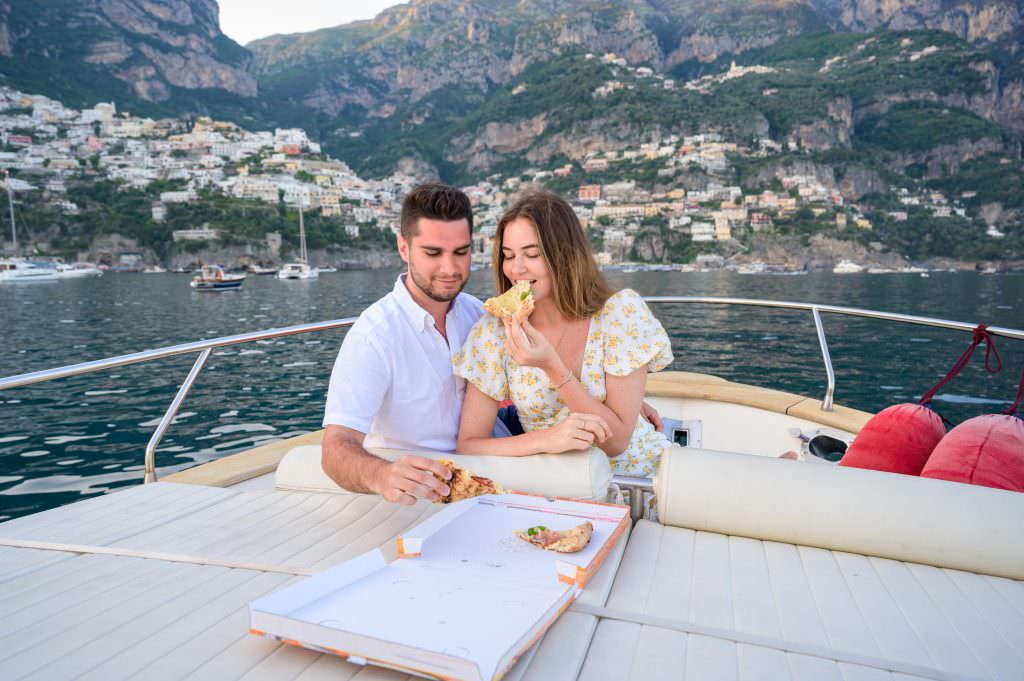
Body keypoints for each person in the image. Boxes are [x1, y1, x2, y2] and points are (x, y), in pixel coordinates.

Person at [321, 184, 663, 506]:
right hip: (440, 483)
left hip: (583, 474)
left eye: (461, 252)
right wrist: (383, 475)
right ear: (404, 248)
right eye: (432, 252)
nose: (449, 268)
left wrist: (622, 397)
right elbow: (337, 446)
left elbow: (611, 432)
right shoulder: (378, 336)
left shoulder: (479, 313)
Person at [454, 191, 674, 477]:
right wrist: (546, 440)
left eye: (532, 254)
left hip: (640, 478)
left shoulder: (619, 314)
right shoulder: (494, 332)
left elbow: (617, 441)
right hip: (556, 487)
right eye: (508, 256)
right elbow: (469, 446)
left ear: (566, 255)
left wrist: (552, 366)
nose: (516, 269)